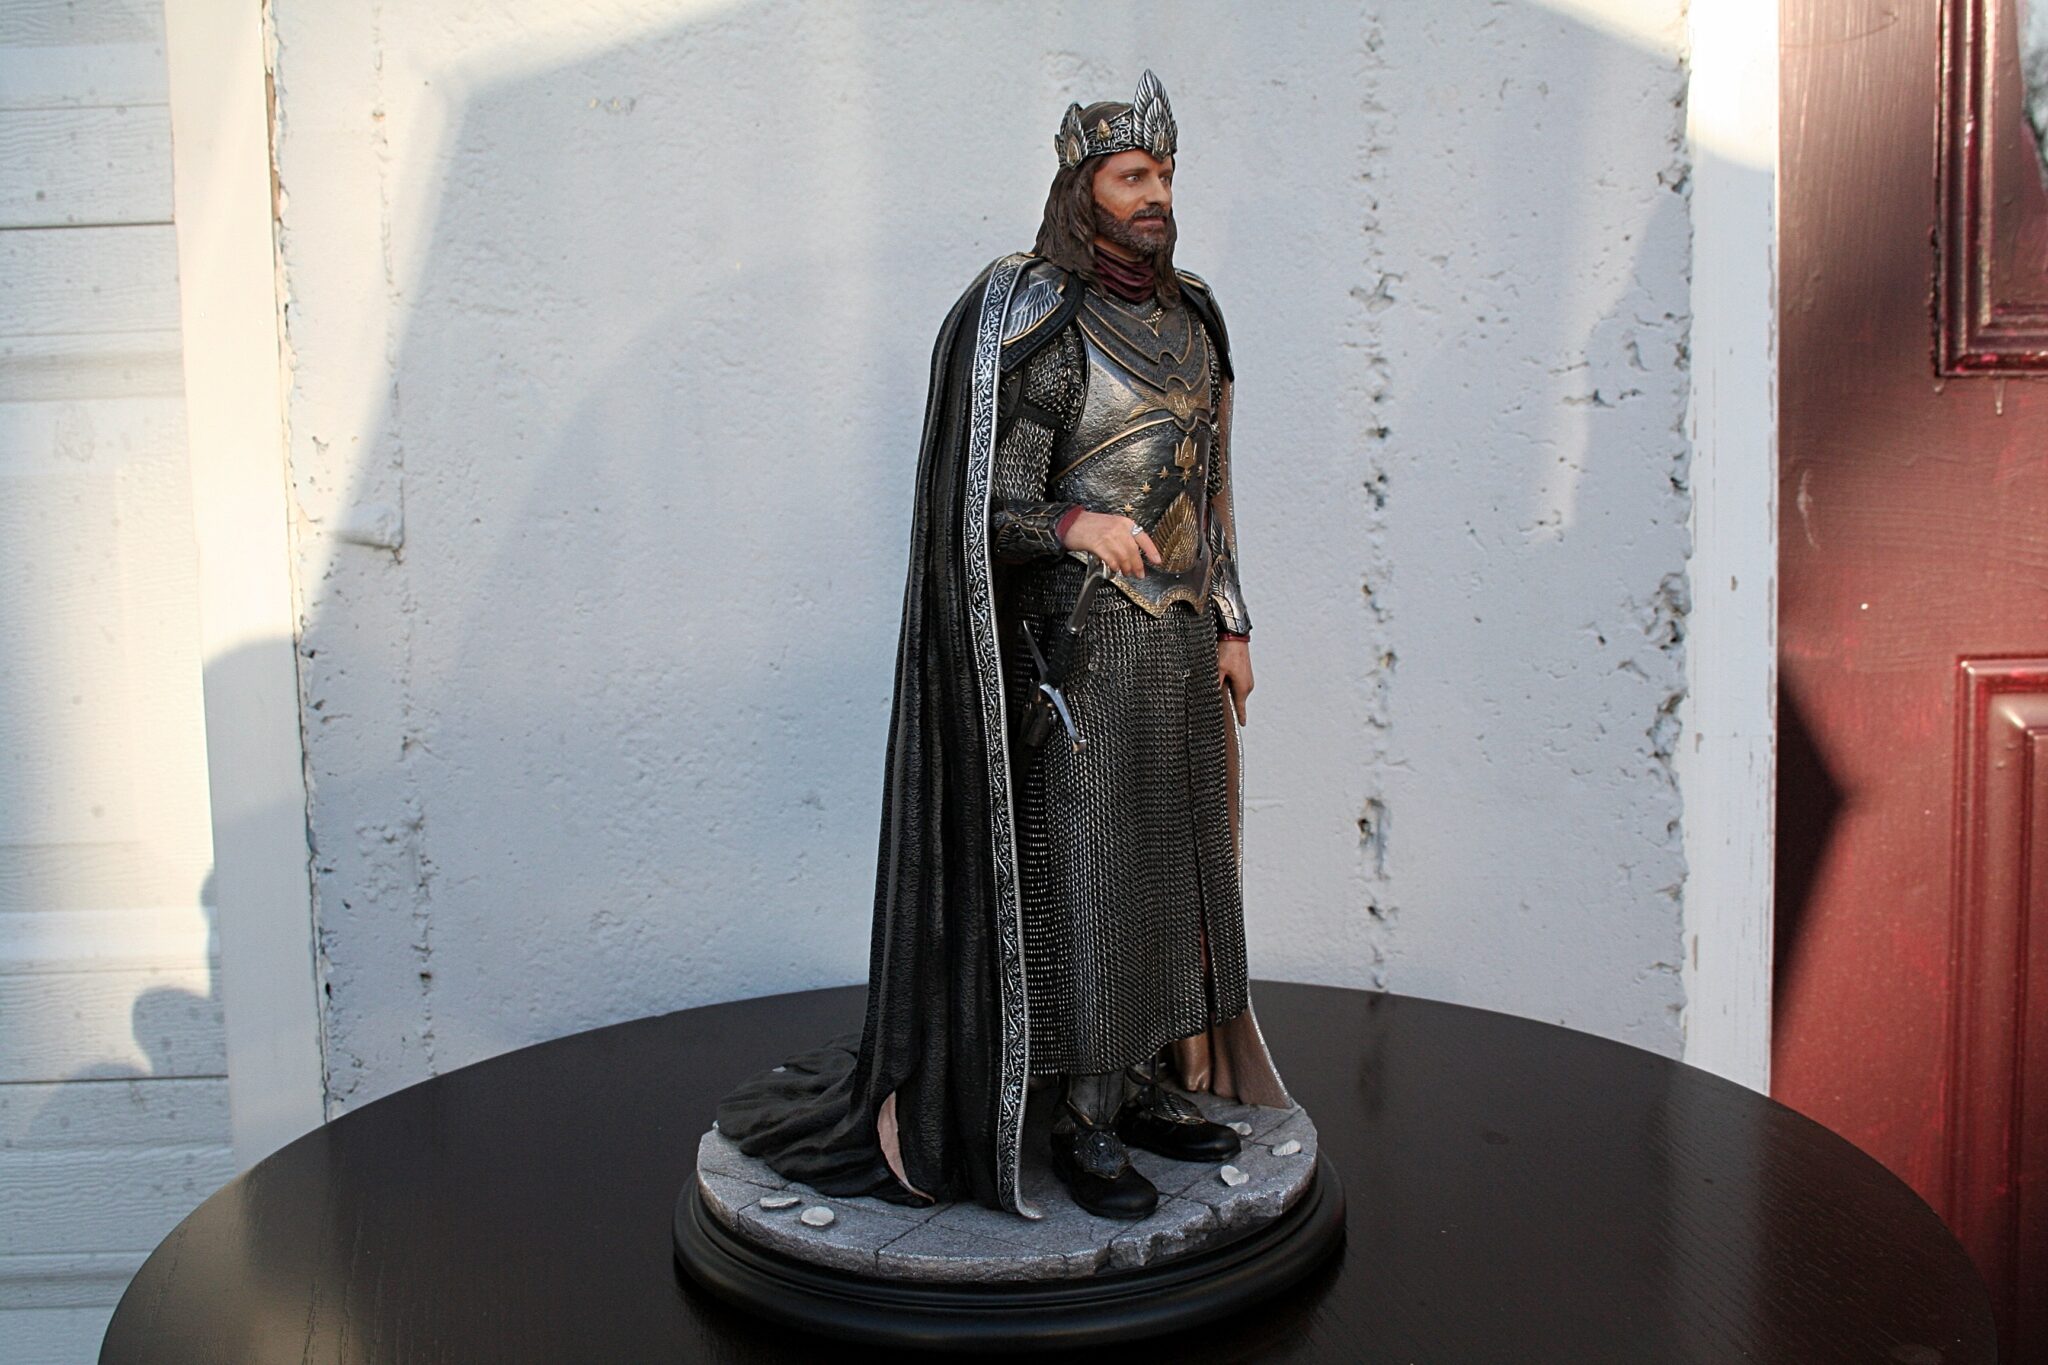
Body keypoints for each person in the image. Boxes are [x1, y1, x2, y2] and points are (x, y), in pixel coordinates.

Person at [716, 70, 1288, 1223]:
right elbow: (984, 508)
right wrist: (1072, 524)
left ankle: (1141, 1084)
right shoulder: (1040, 323)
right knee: (1091, 884)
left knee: (1176, 878)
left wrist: (1229, 617)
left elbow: (1208, 489)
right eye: (1132, 176)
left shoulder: (1192, 318)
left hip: (1179, 650)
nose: (1155, 196)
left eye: (1164, 175)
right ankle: (1080, 1118)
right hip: (1082, 654)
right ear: (1083, 191)